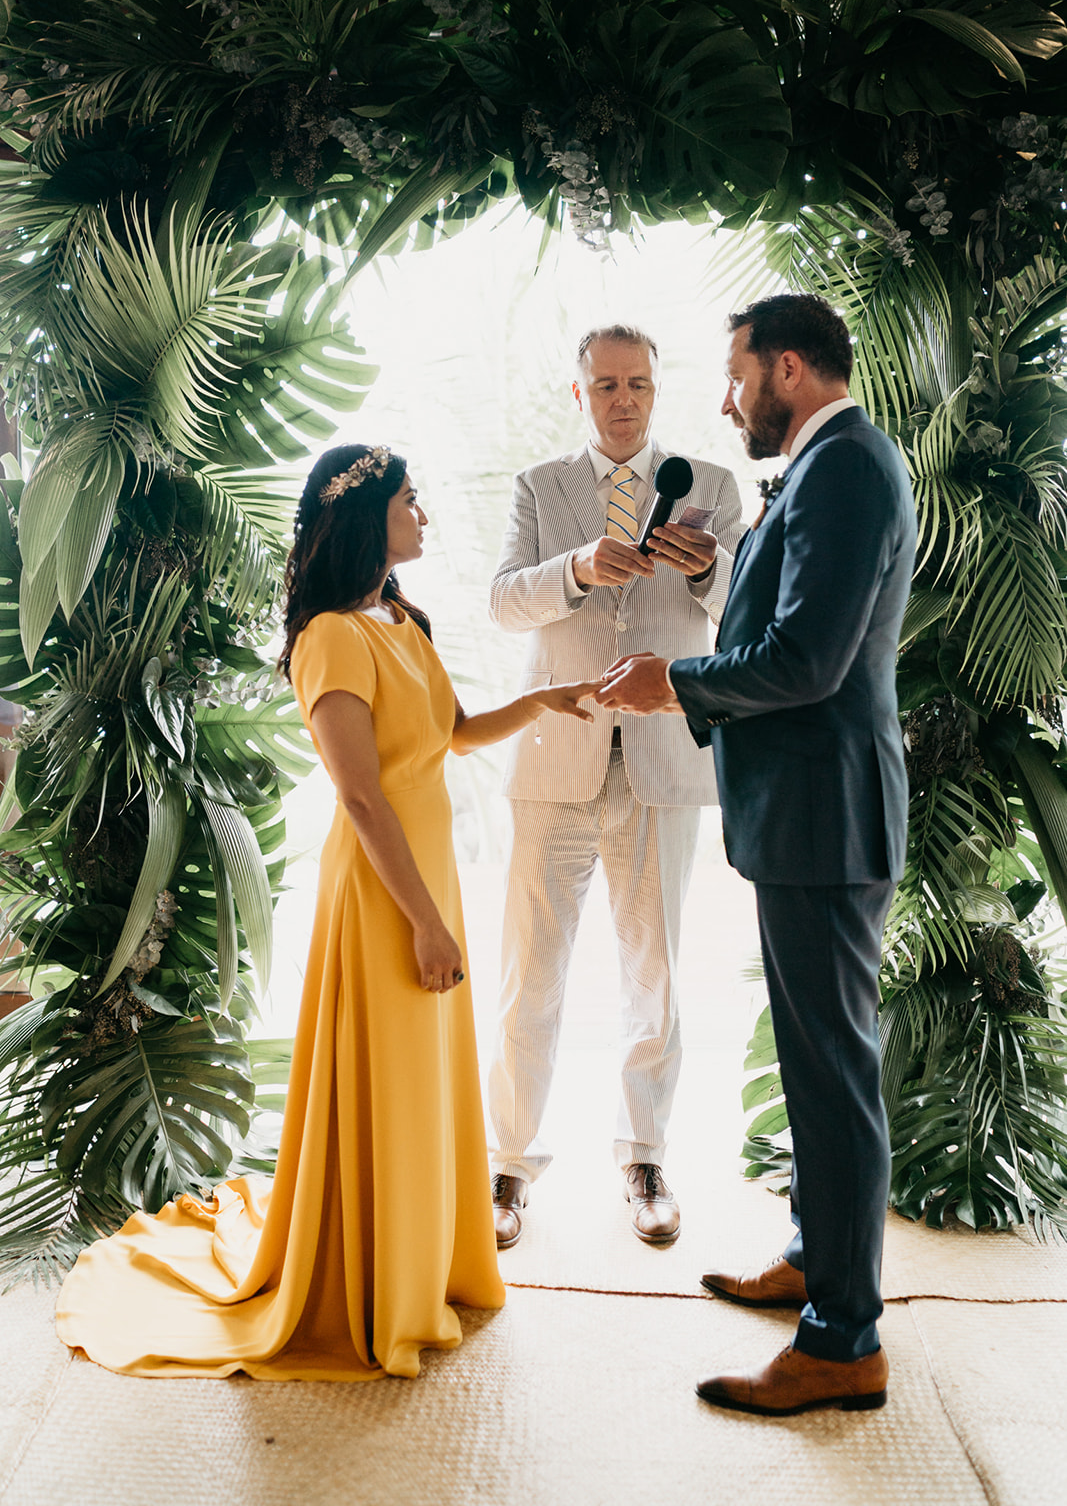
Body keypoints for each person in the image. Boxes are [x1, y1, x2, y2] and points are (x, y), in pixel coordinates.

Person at [55, 443, 596, 1381]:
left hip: (424, 875)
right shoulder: (332, 638)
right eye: (409, 500)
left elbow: (456, 734)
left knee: (423, 1076)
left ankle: (422, 1263)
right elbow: (359, 797)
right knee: (386, 1071)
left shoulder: (396, 616)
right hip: (387, 889)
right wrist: (424, 921)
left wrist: (546, 699)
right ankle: (373, 1287)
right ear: (365, 516)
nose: (423, 514)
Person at [599, 294, 917, 1416]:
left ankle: (842, 1341)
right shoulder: (838, 463)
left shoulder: (843, 467)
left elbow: (808, 660)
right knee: (815, 1068)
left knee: (832, 1076)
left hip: (825, 820)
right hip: (808, 816)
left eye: (735, 377)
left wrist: (671, 682)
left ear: (788, 368)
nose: (725, 400)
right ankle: (815, 1264)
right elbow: (786, 625)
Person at [487, 324, 745, 1249]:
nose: (623, 399)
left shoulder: (712, 486)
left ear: (656, 387)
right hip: (553, 755)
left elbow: (749, 612)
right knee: (531, 971)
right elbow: (501, 598)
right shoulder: (539, 486)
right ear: (579, 392)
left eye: (637, 382)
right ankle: (508, 1165)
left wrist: (710, 568)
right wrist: (577, 569)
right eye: (605, 385)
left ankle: (644, 1157)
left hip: (663, 758)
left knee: (657, 972)